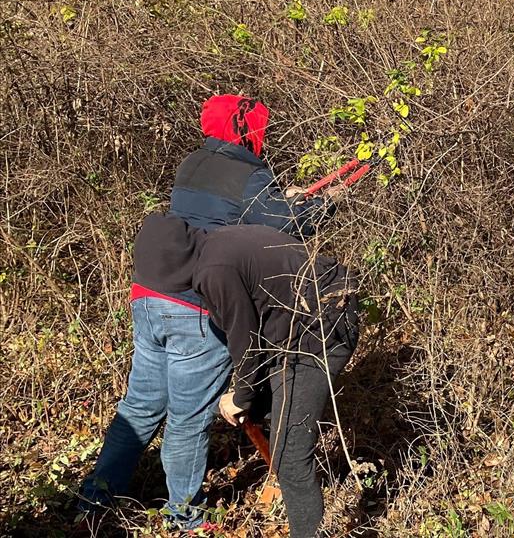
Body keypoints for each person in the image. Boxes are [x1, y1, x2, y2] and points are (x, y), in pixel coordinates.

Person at [78, 95, 336, 530]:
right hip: (197, 305)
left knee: (140, 406)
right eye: (261, 129)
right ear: (249, 131)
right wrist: (322, 203)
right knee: (188, 418)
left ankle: (95, 499)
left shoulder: (191, 163)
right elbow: (287, 225)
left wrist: (279, 199)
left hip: (150, 293)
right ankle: (187, 517)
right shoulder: (253, 174)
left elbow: (228, 213)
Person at [133, 213, 359, 538]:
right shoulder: (217, 245)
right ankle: (303, 495)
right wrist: (249, 397)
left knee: (288, 455)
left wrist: (240, 397)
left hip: (323, 329)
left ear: (169, 266)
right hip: (305, 326)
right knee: (268, 412)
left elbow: (246, 342)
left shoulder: (214, 272)